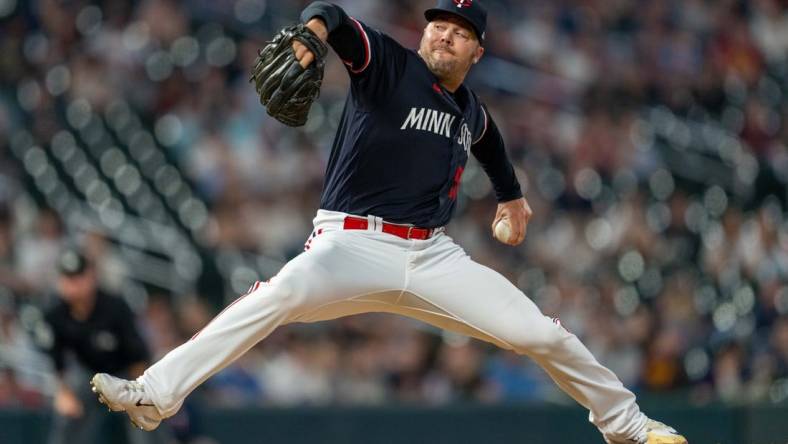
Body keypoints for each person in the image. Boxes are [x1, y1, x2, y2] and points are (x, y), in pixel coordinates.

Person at [91, 1, 688, 443]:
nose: (444, 36)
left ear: (477, 53)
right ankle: (155, 395)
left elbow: (490, 140)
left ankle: (624, 424)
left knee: (540, 333)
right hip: (350, 243)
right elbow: (334, 14)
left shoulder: (469, 108)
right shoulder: (390, 66)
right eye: (439, 25)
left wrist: (512, 195)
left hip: (431, 256)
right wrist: (313, 34)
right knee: (278, 293)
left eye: (460, 34)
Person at [42, 247, 168, 444]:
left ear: (91, 276)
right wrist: (64, 394)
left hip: (126, 374)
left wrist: (139, 394)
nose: (73, 284)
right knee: (67, 413)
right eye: (68, 278)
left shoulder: (114, 307)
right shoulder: (55, 314)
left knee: (145, 414)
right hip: (90, 376)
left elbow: (138, 355)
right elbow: (57, 361)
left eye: (78, 277)